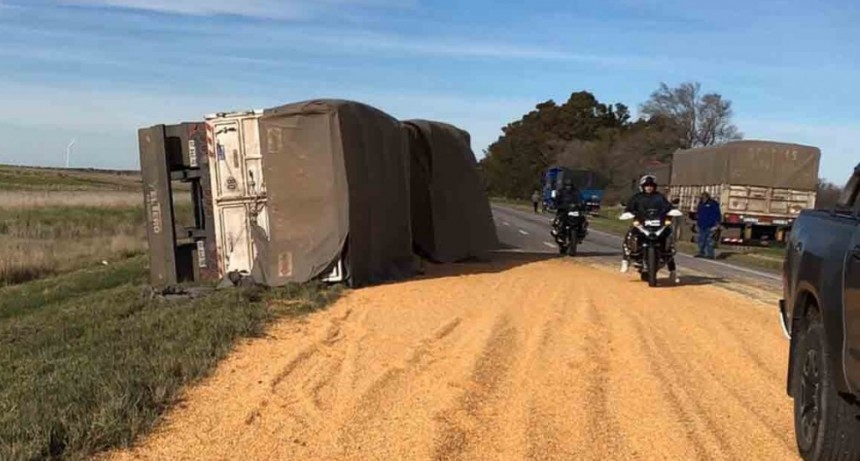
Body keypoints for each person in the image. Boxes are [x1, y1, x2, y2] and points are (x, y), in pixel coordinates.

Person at [620, 175, 679, 283]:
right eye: (646, 185)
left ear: (655, 186)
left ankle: (673, 271)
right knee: (628, 235)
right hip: (642, 224)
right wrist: (627, 213)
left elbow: (668, 207)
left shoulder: (659, 197)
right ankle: (625, 260)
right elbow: (629, 208)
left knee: (669, 242)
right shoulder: (637, 197)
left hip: (658, 225)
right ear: (642, 186)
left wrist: (672, 211)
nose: (649, 187)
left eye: (651, 185)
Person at [695, 191, 722, 259]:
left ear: (707, 197)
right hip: (702, 225)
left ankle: (710, 254)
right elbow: (698, 214)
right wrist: (697, 223)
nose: (702, 199)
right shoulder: (700, 204)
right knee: (701, 240)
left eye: (703, 197)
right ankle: (701, 252)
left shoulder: (713, 204)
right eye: (701, 198)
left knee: (709, 241)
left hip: (711, 225)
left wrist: (717, 224)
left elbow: (717, 214)